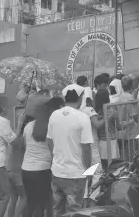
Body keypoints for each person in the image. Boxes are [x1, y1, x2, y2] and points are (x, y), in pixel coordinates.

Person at [47, 84, 93, 216]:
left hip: (57, 171)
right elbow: (86, 149)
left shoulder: (54, 115)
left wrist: (56, 157)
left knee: (57, 210)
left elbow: (49, 142)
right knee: (74, 212)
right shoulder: (82, 118)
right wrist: (88, 171)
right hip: (75, 174)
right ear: (80, 98)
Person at [22, 97, 64, 217]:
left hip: (26, 170)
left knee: (30, 203)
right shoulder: (51, 126)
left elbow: (25, 146)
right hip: (43, 170)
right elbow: (54, 149)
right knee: (43, 204)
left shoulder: (28, 126)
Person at [6, 111, 30, 217]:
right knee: (24, 197)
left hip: (9, 169)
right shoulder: (23, 139)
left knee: (13, 198)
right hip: (17, 171)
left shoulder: (13, 136)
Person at [112, 76, 139, 161]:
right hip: (130, 132)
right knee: (131, 159)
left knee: (123, 158)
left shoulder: (119, 97)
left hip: (120, 132)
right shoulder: (130, 98)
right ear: (131, 85)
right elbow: (135, 116)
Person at [95, 89, 119, 170]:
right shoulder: (112, 108)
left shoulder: (95, 112)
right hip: (112, 142)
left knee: (104, 169)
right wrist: (129, 122)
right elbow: (118, 126)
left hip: (101, 142)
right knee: (114, 169)